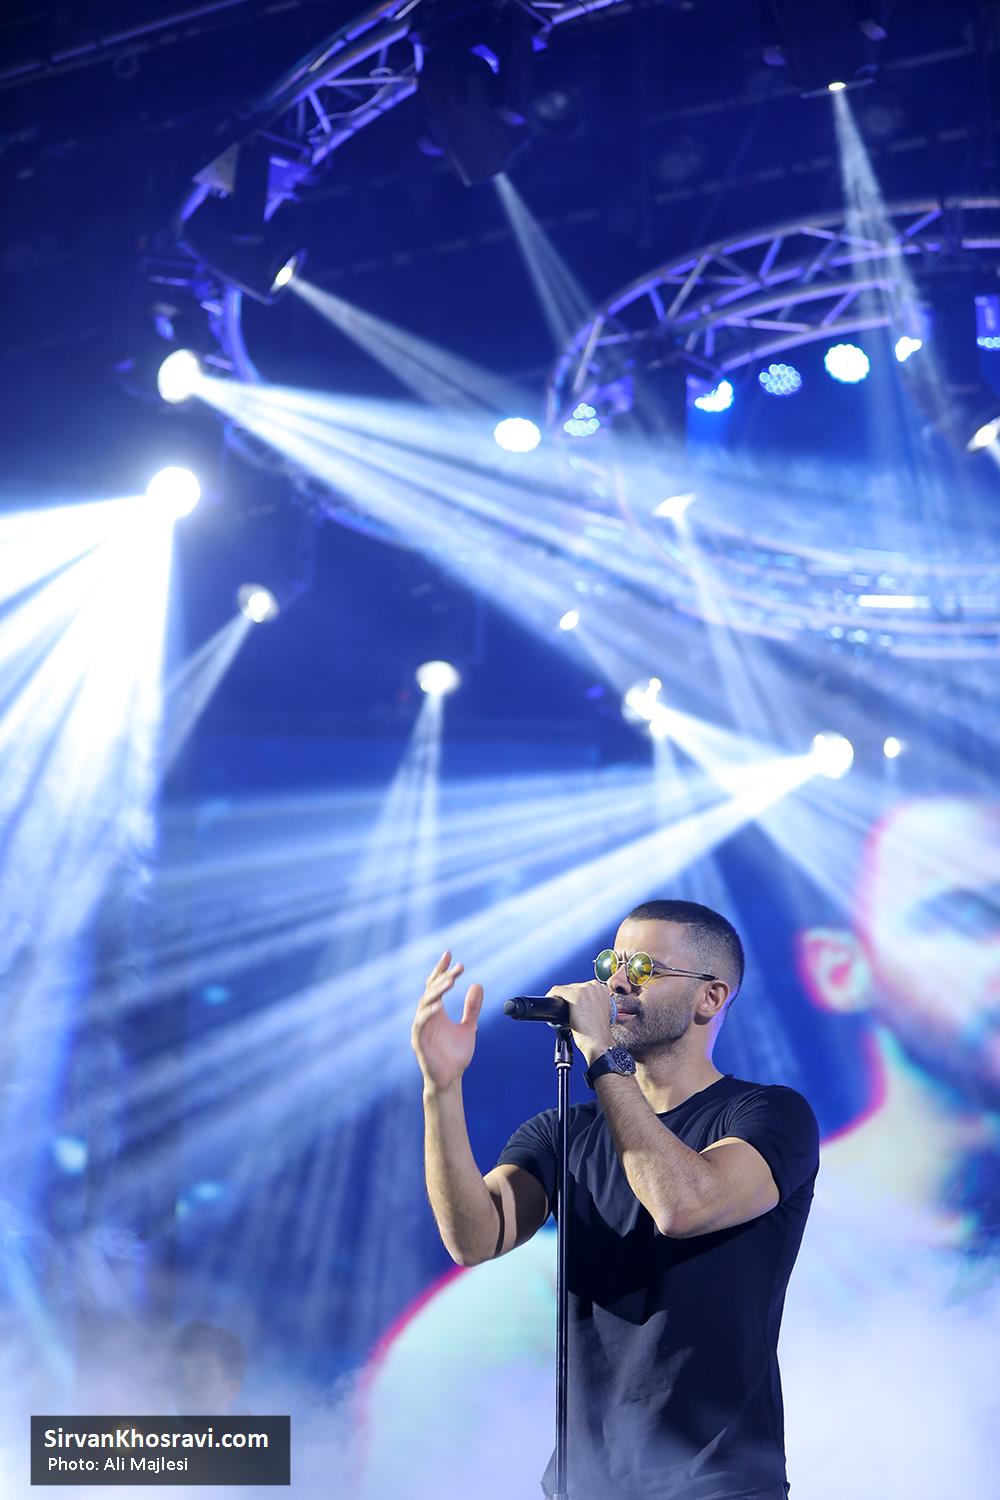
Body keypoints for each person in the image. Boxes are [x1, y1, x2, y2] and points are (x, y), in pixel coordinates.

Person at [412, 898, 820, 1500]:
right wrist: (441, 1088)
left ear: (710, 997)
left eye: (646, 968)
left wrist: (604, 1055)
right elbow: (473, 1238)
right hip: (584, 1484)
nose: (618, 983)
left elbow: (682, 1206)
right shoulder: (563, 1130)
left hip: (717, 1483)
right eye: (612, 964)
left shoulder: (769, 1114)